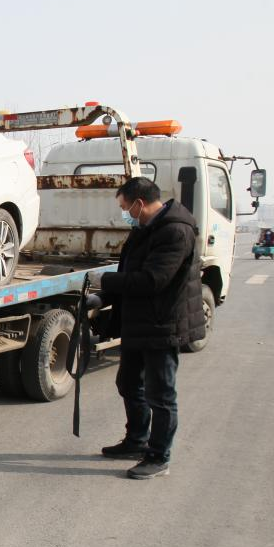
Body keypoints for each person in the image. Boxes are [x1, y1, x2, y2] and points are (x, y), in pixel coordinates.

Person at [92, 177, 206, 479]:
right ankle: (136, 441)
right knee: (129, 383)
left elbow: (152, 280)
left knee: (161, 395)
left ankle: (159, 457)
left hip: (163, 324)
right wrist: (101, 296)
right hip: (140, 323)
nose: (125, 213)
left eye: (125, 207)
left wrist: (104, 281)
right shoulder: (145, 229)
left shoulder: (176, 231)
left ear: (139, 203)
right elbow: (129, 272)